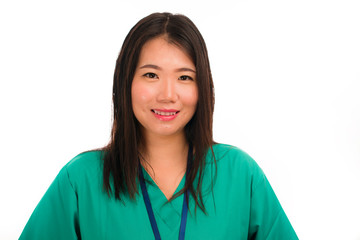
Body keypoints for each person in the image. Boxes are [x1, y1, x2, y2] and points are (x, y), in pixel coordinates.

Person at [20, 12, 298, 239]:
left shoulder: (239, 174)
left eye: (185, 77)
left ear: (203, 87)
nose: (167, 94)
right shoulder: (81, 180)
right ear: (125, 83)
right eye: (151, 75)